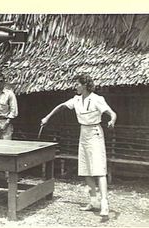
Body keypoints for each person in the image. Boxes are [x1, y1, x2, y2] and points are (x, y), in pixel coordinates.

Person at [40, 73, 117, 217]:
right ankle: (93, 201)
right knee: (86, 169)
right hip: (84, 134)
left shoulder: (97, 99)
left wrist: (112, 121)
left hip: (95, 133)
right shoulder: (76, 100)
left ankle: (104, 203)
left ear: (85, 85)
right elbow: (61, 106)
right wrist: (47, 117)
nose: (75, 86)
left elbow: (112, 113)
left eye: (77, 84)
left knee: (99, 169)